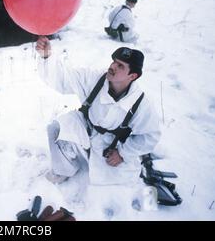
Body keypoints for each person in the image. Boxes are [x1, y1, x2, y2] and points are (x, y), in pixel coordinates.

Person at [35, 37, 161, 186]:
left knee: (117, 182)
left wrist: (122, 153)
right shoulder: (96, 78)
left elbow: (150, 136)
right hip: (86, 127)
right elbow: (63, 79)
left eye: (120, 66)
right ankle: (64, 170)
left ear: (132, 76)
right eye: (114, 61)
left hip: (111, 144)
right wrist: (46, 56)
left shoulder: (141, 103)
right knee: (56, 129)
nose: (113, 66)